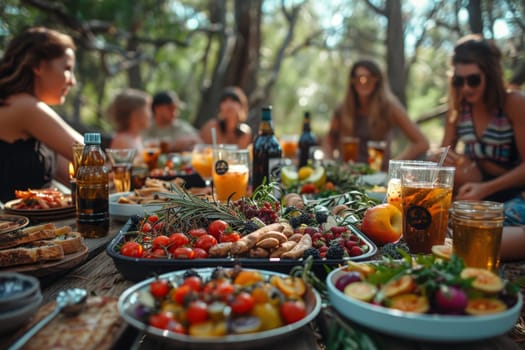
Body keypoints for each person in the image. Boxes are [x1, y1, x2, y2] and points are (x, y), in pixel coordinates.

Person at [439, 34, 525, 204]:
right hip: (473, 190)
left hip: (514, 191)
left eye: (473, 80)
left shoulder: (514, 102)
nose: (465, 88)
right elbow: (444, 157)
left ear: (490, 76)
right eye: (458, 80)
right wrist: (436, 156)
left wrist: (486, 189)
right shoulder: (457, 108)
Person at [0, 27, 83, 202]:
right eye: (67, 68)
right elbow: (91, 154)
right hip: (17, 226)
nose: (72, 81)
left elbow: (71, 173)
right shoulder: (25, 107)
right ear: (38, 66)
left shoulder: (17, 105)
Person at [323, 59, 429, 170]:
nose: (363, 82)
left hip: (376, 176)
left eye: (368, 78)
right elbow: (329, 141)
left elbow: (422, 143)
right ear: (352, 81)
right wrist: (330, 165)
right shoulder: (343, 108)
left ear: (377, 80)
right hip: (347, 175)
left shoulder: (390, 107)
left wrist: (394, 166)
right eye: (359, 78)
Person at [107, 88, 152, 153]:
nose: (150, 114)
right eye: (147, 109)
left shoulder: (136, 137)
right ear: (135, 114)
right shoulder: (123, 141)